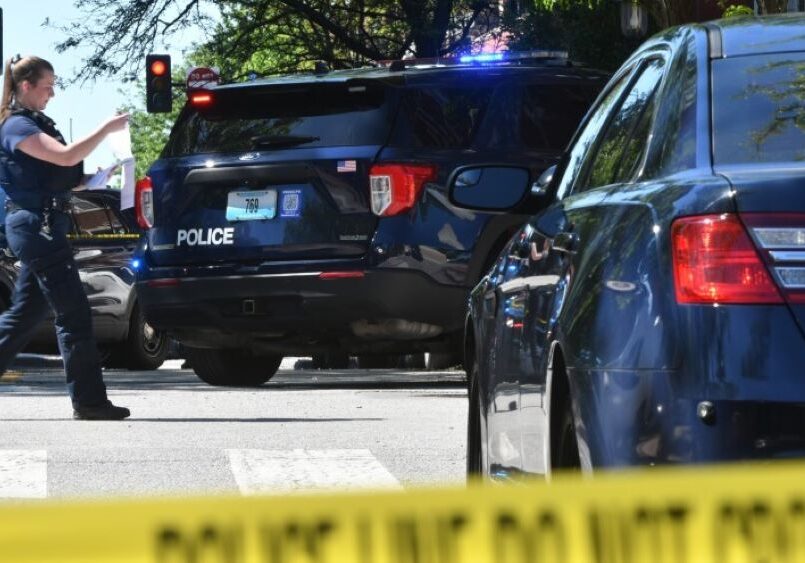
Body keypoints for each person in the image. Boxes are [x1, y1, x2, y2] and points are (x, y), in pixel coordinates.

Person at [0, 54, 131, 420]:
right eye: (48, 87)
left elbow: (63, 173)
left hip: (43, 225)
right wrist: (107, 128)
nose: (52, 94)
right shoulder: (16, 127)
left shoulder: (34, 123)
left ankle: (89, 400)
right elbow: (66, 155)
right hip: (36, 228)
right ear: (26, 86)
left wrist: (95, 178)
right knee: (73, 313)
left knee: (23, 316)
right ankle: (89, 401)